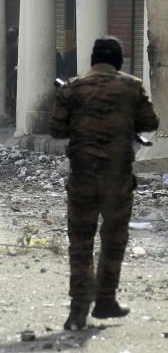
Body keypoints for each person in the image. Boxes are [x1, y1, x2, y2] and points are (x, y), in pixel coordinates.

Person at [50, 37, 159, 331]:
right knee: (113, 239)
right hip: (117, 179)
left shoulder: (72, 87)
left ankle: (77, 311)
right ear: (119, 61)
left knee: (80, 243)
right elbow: (151, 122)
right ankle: (105, 301)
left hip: (82, 178)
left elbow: (56, 129)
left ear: (92, 59)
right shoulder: (132, 86)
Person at [6, 27, 19, 120]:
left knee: (13, 95)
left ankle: (13, 116)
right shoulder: (12, 47)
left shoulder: (13, 48)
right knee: (12, 95)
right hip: (12, 75)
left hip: (14, 75)